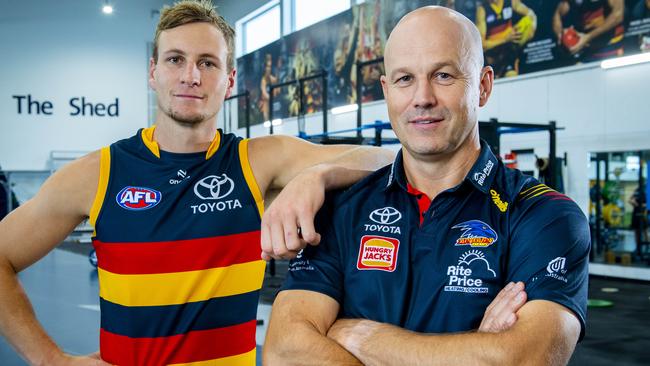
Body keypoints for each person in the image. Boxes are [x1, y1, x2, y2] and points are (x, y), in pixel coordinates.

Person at [0, 1, 394, 365]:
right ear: (153, 72)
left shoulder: (256, 161)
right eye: (176, 60)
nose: (191, 76)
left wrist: (317, 175)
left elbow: (388, 156)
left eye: (208, 63)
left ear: (230, 79)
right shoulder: (97, 174)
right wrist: (52, 359)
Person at [265, 6, 590, 365]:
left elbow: (525, 359)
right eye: (405, 79)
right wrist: (475, 352)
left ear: (482, 86)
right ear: (387, 91)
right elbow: (285, 350)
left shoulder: (543, 215)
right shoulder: (342, 210)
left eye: (444, 75)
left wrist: (359, 335)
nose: (422, 97)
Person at [475, 0, 537, 77]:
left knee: (512, 76)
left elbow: (531, 15)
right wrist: (505, 39)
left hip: (508, 54)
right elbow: (482, 45)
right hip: (492, 59)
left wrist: (530, 30)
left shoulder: (511, 2)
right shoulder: (482, 10)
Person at [553, 0, 624, 62]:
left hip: (612, 47)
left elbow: (618, 15)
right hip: (588, 52)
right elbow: (558, 12)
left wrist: (588, 37)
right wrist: (560, 34)